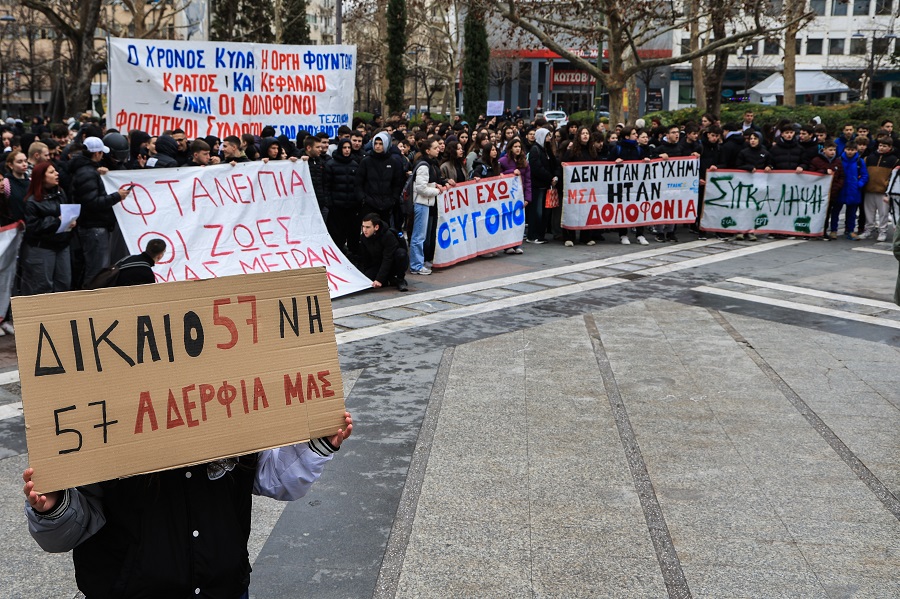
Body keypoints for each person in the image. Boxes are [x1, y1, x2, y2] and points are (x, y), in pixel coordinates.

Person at [69, 136, 132, 286]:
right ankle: (92, 301)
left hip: (92, 226)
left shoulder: (86, 170)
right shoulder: (88, 173)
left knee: (96, 267)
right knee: (97, 270)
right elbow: (93, 202)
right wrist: (117, 196)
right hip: (94, 227)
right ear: (97, 154)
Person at [21, 161, 75, 294]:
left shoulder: (60, 193)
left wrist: (70, 221)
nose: (57, 174)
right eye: (51, 172)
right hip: (42, 247)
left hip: (62, 244)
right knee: (43, 286)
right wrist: (56, 221)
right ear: (42, 177)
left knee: (64, 283)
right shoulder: (32, 202)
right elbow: (33, 227)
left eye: (55, 171)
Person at [409, 136, 448, 275]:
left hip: (424, 203)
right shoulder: (424, 166)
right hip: (421, 203)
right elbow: (421, 188)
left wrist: (434, 185)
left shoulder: (427, 164)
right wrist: (437, 190)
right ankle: (416, 265)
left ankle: (418, 263)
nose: (438, 150)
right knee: (419, 236)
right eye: (435, 148)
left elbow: (424, 185)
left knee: (420, 235)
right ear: (427, 150)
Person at [324, 138, 362, 258]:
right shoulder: (331, 164)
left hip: (351, 207)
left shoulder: (355, 165)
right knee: (337, 236)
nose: (347, 150)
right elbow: (326, 186)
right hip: (336, 207)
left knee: (352, 234)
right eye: (344, 148)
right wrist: (330, 203)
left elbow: (357, 186)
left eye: (348, 148)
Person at [861, 136, 898, 242]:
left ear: (890, 147)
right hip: (869, 189)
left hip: (883, 191)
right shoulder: (869, 158)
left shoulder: (894, 160)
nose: (881, 148)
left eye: (884, 146)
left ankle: (883, 231)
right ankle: (868, 229)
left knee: (883, 213)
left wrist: (888, 187)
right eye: (880, 145)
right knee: (869, 212)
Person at [357, 213, 408, 291]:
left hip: (392, 263)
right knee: (367, 280)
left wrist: (379, 279)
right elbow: (365, 258)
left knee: (401, 254)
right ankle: (388, 279)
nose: (364, 230)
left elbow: (388, 258)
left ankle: (400, 280)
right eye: (363, 226)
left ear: (376, 227)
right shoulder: (363, 237)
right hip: (377, 264)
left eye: (368, 227)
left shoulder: (388, 236)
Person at [497, 137, 531, 254]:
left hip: (519, 196)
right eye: (515, 147)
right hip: (507, 196)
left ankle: (517, 244)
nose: (517, 149)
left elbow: (528, 181)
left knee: (518, 221)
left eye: (519, 147)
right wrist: (511, 173)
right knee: (508, 221)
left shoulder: (524, 163)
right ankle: (507, 246)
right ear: (510, 148)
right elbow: (498, 176)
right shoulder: (503, 161)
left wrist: (527, 198)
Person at [527, 128, 556, 245]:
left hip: (545, 185)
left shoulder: (546, 150)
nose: (549, 138)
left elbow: (553, 164)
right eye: (547, 136)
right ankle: (533, 235)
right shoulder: (535, 150)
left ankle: (540, 235)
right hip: (538, 186)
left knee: (544, 212)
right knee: (537, 212)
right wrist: (550, 178)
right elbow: (537, 168)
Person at [837, 140, 868, 240]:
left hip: (853, 190)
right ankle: (833, 229)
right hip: (841, 189)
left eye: (852, 150)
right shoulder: (840, 160)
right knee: (836, 211)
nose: (850, 152)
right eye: (848, 149)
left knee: (852, 212)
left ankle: (850, 230)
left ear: (856, 150)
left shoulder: (859, 161)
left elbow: (864, 175)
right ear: (845, 149)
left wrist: (859, 184)